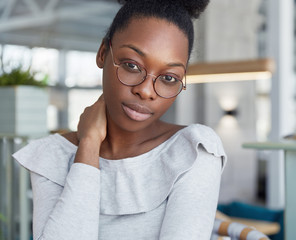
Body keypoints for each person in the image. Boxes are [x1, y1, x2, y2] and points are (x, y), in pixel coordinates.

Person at [13, 0, 227, 239]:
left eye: (168, 78)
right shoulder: (52, 155)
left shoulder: (193, 151)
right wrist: (89, 145)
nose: (146, 91)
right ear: (103, 53)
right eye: (132, 65)